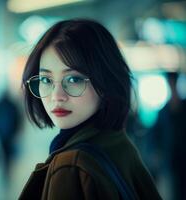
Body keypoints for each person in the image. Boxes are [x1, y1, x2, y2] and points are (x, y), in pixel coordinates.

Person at [19, 19, 161, 199]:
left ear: (105, 82)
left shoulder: (71, 166)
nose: (57, 96)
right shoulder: (118, 143)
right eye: (46, 80)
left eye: (73, 79)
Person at [148, 72, 186, 200]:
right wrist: (155, 153)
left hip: (182, 157)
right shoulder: (164, 111)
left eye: (173, 82)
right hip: (171, 159)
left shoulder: (182, 107)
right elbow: (154, 134)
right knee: (174, 191)